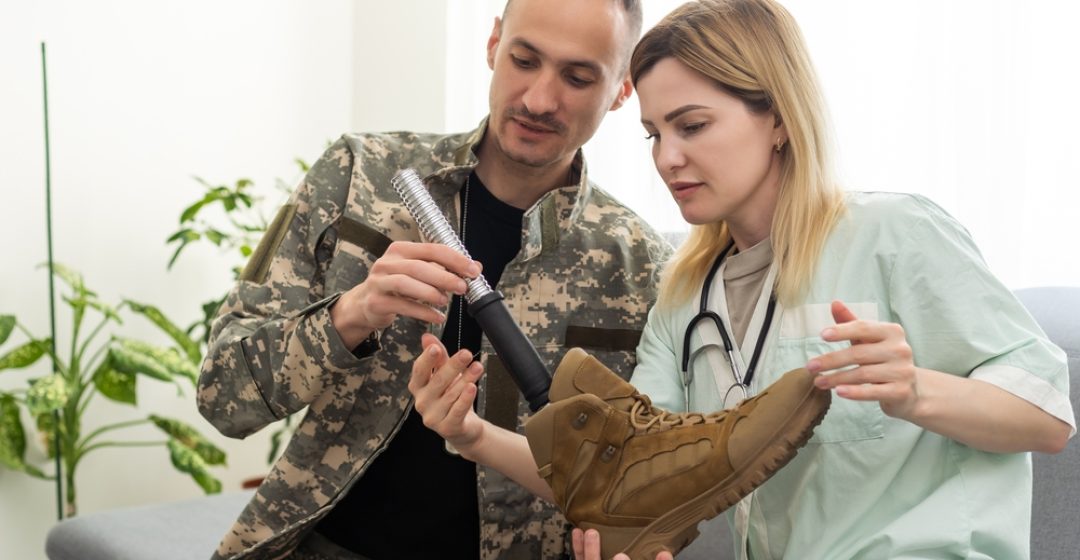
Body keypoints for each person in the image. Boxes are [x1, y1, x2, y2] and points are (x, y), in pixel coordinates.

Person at [409, 1, 1075, 559]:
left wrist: (915, 391)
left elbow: (1048, 416)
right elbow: (618, 475)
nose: (669, 158)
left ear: (779, 118)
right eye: (653, 135)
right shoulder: (686, 296)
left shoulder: (893, 234)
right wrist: (472, 435)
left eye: (693, 126)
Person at [196, 1, 673, 558]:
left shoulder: (640, 265)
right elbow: (223, 398)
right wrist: (350, 316)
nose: (540, 100)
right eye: (524, 59)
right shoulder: (358, 175)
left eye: (577, 77)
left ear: (621, 90)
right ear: (494, 45)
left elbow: (640, 486)